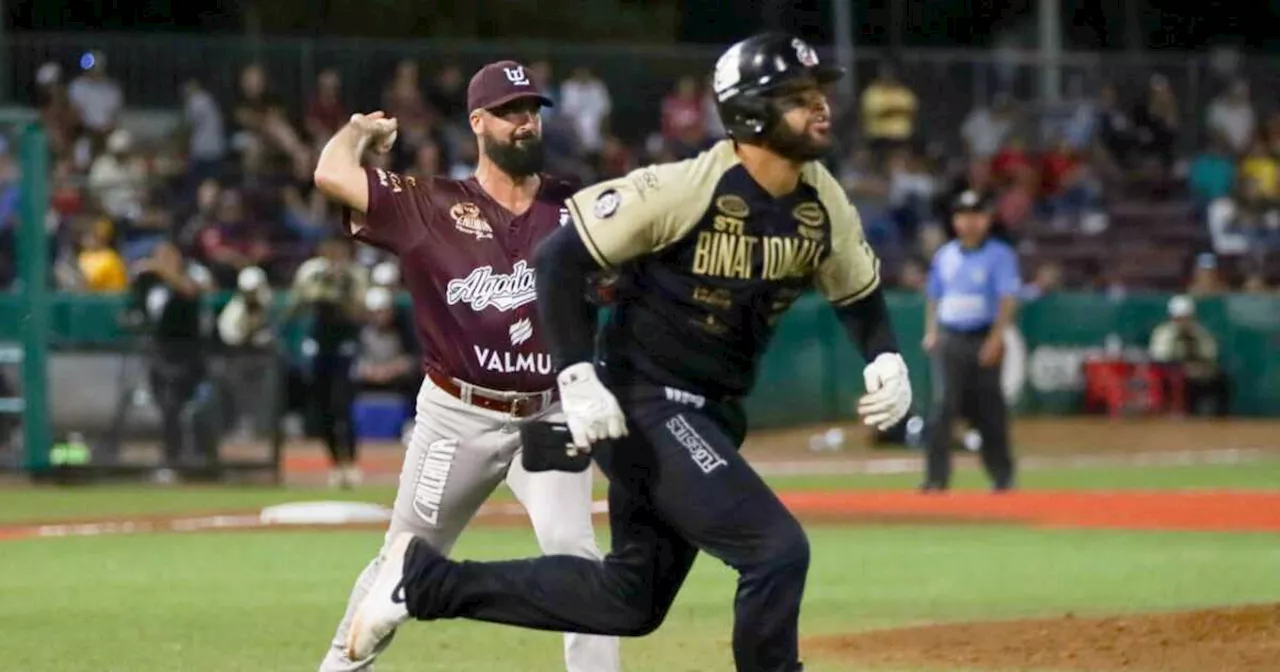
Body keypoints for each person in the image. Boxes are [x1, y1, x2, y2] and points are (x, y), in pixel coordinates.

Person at [342, 33, 913, 672]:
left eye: (819, 95)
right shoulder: (684, 188)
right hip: (643, 403)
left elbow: (856, 290)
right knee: (775, 549)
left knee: (628, 600)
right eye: (798, 98)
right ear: (750, 111)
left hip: (709, 411)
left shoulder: (821, 198)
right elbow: (559, 258)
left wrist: (884, 355)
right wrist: (579, 373)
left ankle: (420, 582)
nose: (821, 109)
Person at [311, 60, 620, 672]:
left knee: (580, 561)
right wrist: (355, 132)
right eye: (509, 112)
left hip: (549, 411)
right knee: (402, 558)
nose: (525, 122)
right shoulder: (431, 203)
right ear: (478, 122)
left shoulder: (577, 208)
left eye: (532, 109)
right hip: (458, 415)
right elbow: (329, 172)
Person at [921, 190, 1020, 492]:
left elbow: (1007, 299)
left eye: (976, 216)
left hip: (982, 336)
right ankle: (936, 478)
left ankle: (1002, 476)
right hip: (951, 338)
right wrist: (931, 331)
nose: (970, 222)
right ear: (955, 220)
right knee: (943, 409)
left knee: (990, 410)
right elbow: (934, 296)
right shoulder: (945, 255)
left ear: (987, 220)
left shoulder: (1000, 255)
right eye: (964, 216)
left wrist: (996, 338)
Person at [125, 240, 216, 472]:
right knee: (167, 408)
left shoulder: (190, 274)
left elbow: (190, 290)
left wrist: (161, 268)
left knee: (194, 408)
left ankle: (204, 461)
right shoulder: (151, 285)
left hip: (188, 354)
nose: (162, 260)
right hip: (161, 355)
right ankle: (172, 460)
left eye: (167, 255)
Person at [286, 235, 368, 488]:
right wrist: (317, 291)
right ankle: (335, 464)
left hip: (345, 344)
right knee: (324, 409)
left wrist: (339, 289)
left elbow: (358, 311)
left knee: (342, 405)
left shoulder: (353, 274)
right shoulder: (311, 272)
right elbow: (294, 305)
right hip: (320, 343)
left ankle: (351, 463)